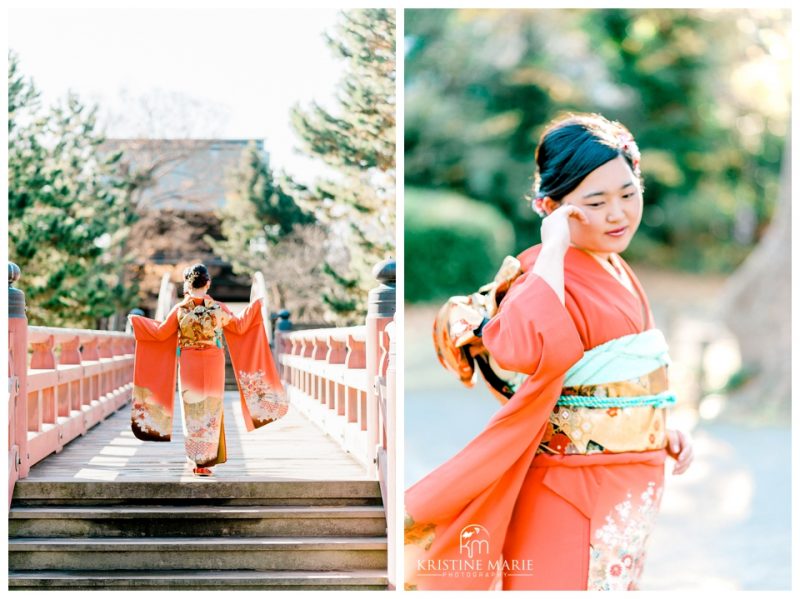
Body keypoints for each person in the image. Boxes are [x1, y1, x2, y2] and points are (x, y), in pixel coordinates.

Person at [404, 113, 694, 591]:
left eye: (628, 193)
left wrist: (659, 425)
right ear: (550, 205)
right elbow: (528, 351)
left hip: (628, 480)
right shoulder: (541, 271)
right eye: (596, 202)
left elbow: (629, 371)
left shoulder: (614, 266)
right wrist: (553, 251)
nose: (618, 214)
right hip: (567, 487)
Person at [128, 263, 288, 477]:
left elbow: (158, 334)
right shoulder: (218, 308)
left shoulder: (180, 310)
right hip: (213, 362)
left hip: (189, 363)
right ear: (208, 283)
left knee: (193, 409)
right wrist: (255, 306)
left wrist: (137, 321)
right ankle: (208, 459)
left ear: (187, 284)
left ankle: (198, 460)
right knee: (211, 408)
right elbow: (240, 326)